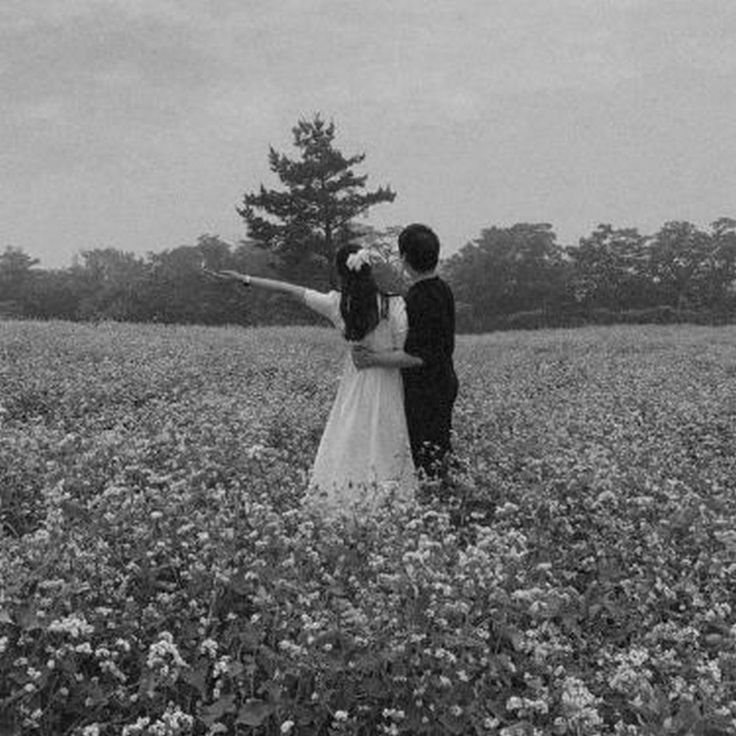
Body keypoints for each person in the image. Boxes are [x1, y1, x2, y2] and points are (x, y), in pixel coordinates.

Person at [203, 244, 416, 515]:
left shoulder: (337, 304)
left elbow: (289, 289)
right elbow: (403, 348)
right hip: (387, 383)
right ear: (370, 270)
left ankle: (347, 504)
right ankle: (389, 507)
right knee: (386, 441)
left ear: (341, 274)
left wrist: (244, 279)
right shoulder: (394, 304)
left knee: (351, 438)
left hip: (354, 384)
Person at [352, 223, 458, 480]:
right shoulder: (442, 289)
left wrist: (372, 359)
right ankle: (446, 498)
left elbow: (417, 356)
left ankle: (440, 504)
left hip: (425, 389)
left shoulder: (418, 299)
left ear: (405, 258)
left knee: (426, 456)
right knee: (438, 449)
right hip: (444, 381)